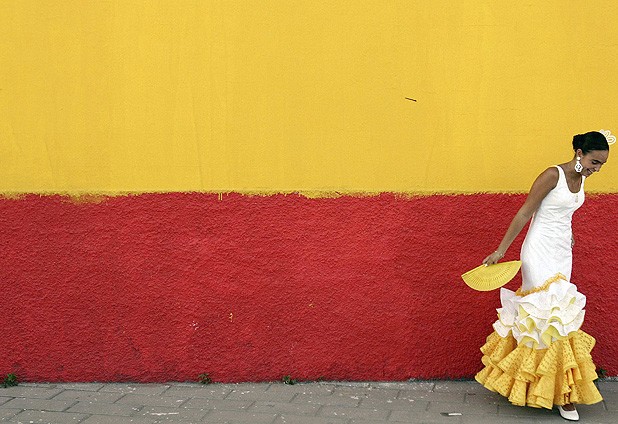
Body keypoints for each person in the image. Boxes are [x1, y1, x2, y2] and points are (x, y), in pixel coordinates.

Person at [475, 131, 611, 421]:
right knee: (546, 314)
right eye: (594, 162)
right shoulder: (552, 175)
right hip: (538, 252)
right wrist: (500, 251)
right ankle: (562, 396)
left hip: (562, 253)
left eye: (602, 164)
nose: (597, 169)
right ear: (579, 153)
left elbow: (565, 213)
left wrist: (569, 234)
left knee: (559, 315)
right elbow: (525, 213)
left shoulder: (582, 178)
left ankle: (546, 387)